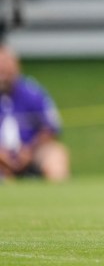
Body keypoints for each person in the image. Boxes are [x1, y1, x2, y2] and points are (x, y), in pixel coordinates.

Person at [0, 44, 69, 182]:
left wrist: (29, 150)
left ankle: (59, 194)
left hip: (31, 151)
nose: (4, 77)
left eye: (8, 70)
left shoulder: (33, 92)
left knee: (56, 154)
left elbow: (50, 127)